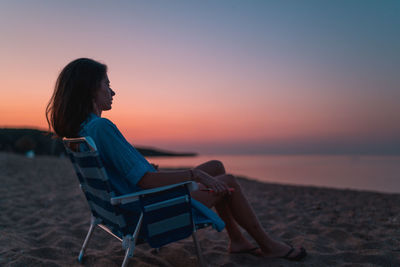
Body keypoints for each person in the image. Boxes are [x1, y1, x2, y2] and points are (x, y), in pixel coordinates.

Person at [46, 58, 306, 261]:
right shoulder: (102, 129)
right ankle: (268, 245)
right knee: (228, 182)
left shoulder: (84, 130)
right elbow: (146, 181)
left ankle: (237, 240)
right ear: (92, 87)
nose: (112, 91)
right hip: (148, 213)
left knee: (215, 166)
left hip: (125, 207)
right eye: (107, 84)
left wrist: (182, 173)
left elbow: (130, 173)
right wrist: (194, 174)